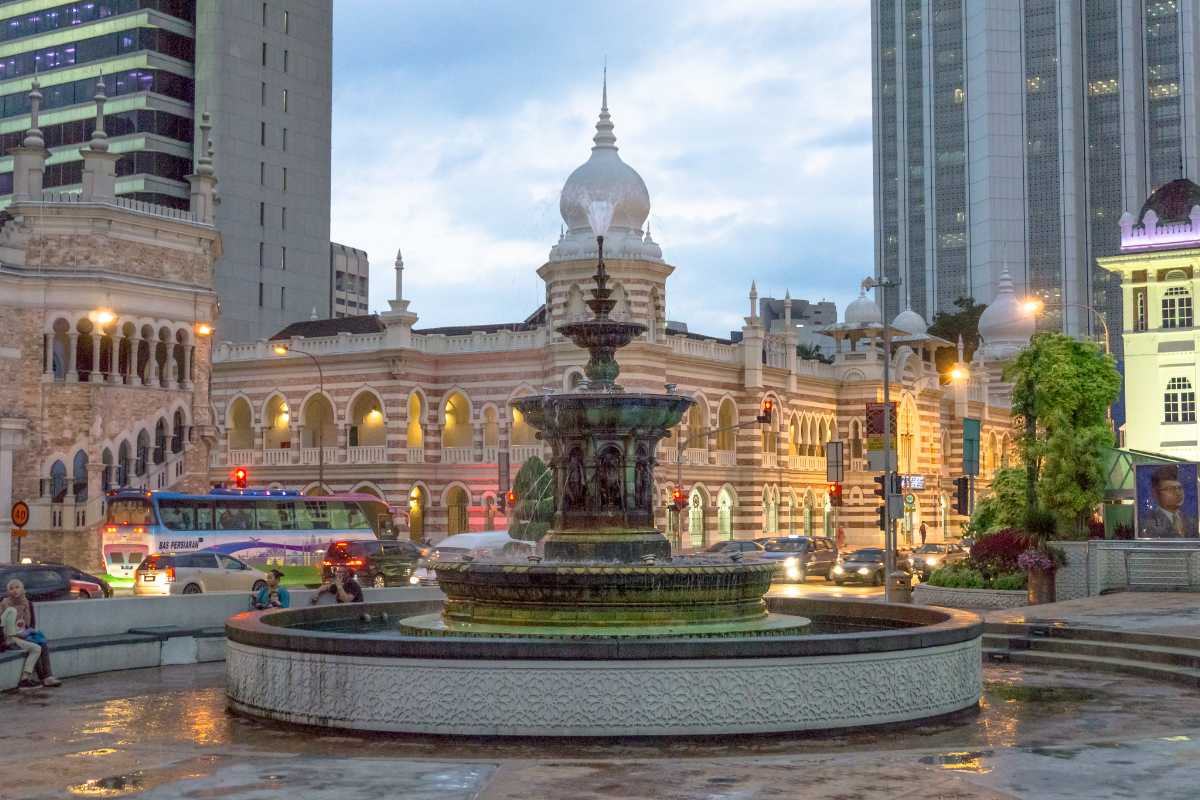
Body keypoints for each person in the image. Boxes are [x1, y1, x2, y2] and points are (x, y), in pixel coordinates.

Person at [0, 579, 61, 689]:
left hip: (24, 634)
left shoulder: (28, 603)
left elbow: (31, 624)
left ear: (23, 589)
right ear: (8, 591)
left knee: (41, 643)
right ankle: (44, 678)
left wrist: (28, 633)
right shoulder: (4, 604)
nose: (14, 590)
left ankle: (48, 677)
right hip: (11, 637)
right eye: (11, 588)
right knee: (36, 646)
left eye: (17, 587)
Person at [1139, 465, 1198, 538]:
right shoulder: (1147, 521)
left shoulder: (1191, 521)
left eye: (1179, 488)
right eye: (1170, 489)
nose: (1177, 492)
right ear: (1155, 493)